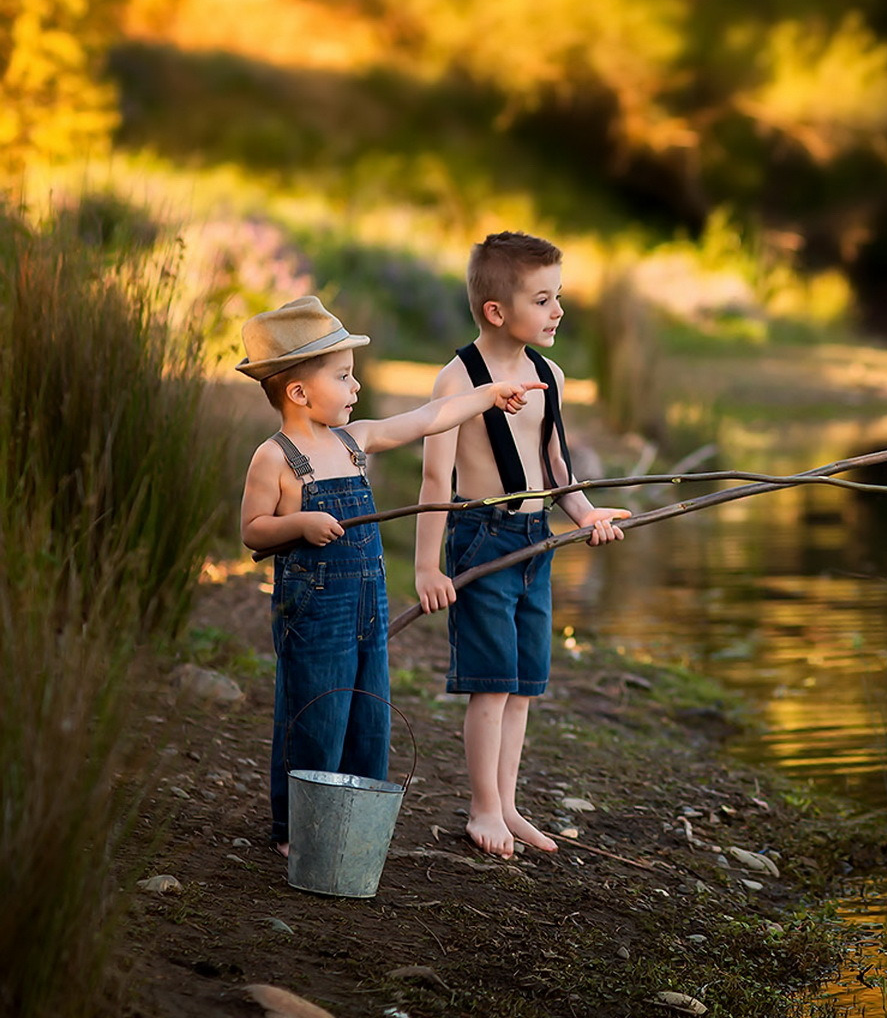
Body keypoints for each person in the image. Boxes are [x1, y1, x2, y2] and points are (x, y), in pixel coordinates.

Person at [237, 295, 546, 856]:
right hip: (315, 609)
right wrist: (300, 522)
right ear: (299, 393)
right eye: (345, 377)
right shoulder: (275, 458)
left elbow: (425, 419)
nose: (357, 388)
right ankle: (298, 828)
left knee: (368, 708)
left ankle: (353, 812)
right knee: (317, 709)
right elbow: (254, 530)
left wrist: (486, 395)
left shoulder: (354, 443)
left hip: (367, 605)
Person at [413, 232, 630, 859]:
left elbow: (556, 461)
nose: (558, 310)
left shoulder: (549, 373)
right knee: (490, 680)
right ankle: (483, 807)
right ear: (496, 311)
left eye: (558, 296)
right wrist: (428, 565)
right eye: (543, 299)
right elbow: (435, 478)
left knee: (524, 683)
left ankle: (507, 804)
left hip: (537, 542)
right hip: (483, 540)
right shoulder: (456, 379)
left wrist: (586, 514)